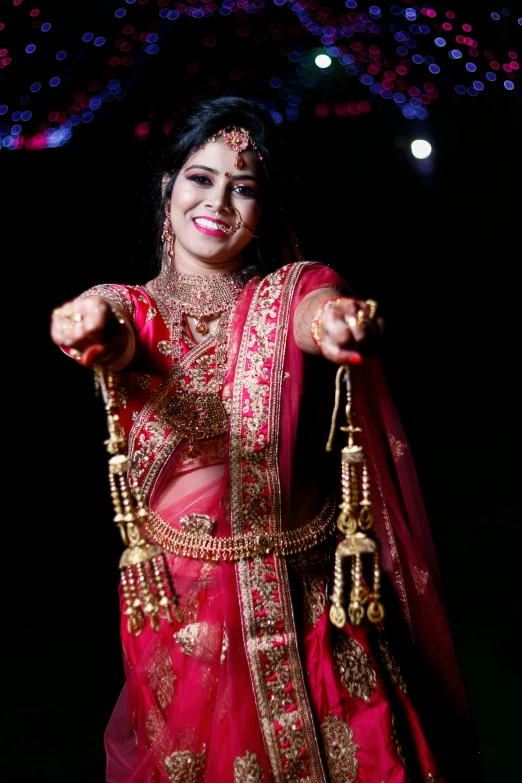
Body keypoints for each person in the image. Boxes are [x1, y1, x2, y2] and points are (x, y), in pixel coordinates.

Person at [50, 97, 480, 783]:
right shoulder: (135, 308)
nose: (218, 200)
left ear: (263, 213)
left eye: (243, 187)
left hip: (313, 610)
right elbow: (117, 326)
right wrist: (89, 326)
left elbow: (318, 306)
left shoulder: (288, 294)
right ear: (168, 187)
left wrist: (337, 323)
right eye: (201, 177)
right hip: (189, 621)